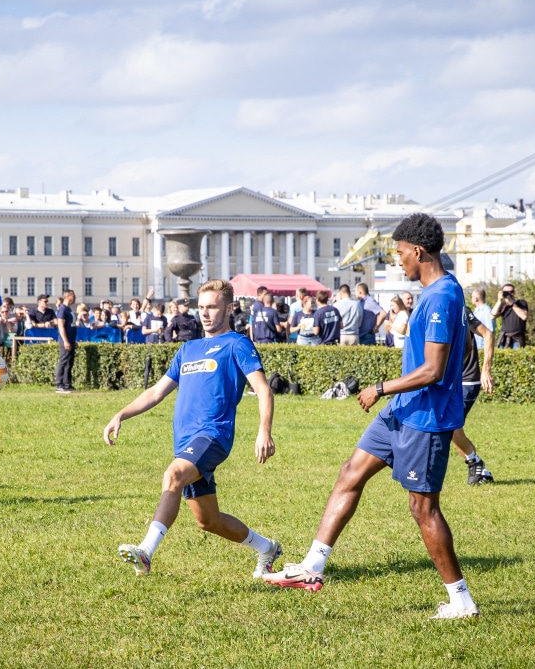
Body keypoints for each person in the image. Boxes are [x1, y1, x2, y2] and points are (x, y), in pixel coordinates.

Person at [264, 213, 479, 620]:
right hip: (399, 413)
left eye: (400, 253)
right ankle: (312, 567)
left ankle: (461, 600)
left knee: (423, 509)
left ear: (417, 251)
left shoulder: (444, 296)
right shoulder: (433, 292)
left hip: (425, 420)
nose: (398, 260)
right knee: (350, 473)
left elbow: (433, 370)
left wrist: (380, 387)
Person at [104, 279, 282, 579]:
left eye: (212, 306)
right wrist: (121, 414)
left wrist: (264, 430)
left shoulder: (238, 344)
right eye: (201, 307)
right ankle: (268, 548)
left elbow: (264, 390)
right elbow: (156, 392)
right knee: (208, 521)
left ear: (228, 308)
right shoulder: (188, 349)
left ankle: (146, 552)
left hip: (213, 436)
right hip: (185, 441)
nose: (205, 313)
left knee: (172, 475)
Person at [452, 308, 496, 485]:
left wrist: (485, 370)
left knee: (450, 427)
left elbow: (488, 334)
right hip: (451, 381)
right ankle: (479, 469)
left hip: (467, 381)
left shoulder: (461, 310)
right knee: (450, 430)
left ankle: (476, 463)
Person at [54, 289, 78, 394]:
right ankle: (59, 384)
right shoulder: (63, 309)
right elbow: (61, 326)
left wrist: (73, 341)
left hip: (71, 339)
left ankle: (67, 384)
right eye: (73, 295)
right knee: (63, 361)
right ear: (68, 296)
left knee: (69, 363)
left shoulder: (69, 309)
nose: (75, 298)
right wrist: (66, 341)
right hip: (65, 340)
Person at [492, 283, 528, 348]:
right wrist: (499, 301)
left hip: (517, 338)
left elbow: (524, 316)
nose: (509, 294)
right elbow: (492, 316)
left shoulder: (521, 303)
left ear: (514, 292)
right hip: (504, 338)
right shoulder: (503, 305)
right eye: (506, 292)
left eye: (511, 292)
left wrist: (512, 304)